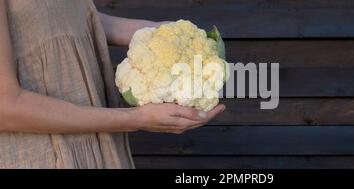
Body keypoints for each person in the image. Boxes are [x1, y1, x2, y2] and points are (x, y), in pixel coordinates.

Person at [0, 0, 225, 169]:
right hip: (38, 157)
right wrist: (134, 118)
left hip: (96, 150)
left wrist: (160, 34)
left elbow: (55, 14)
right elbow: (5, 107)